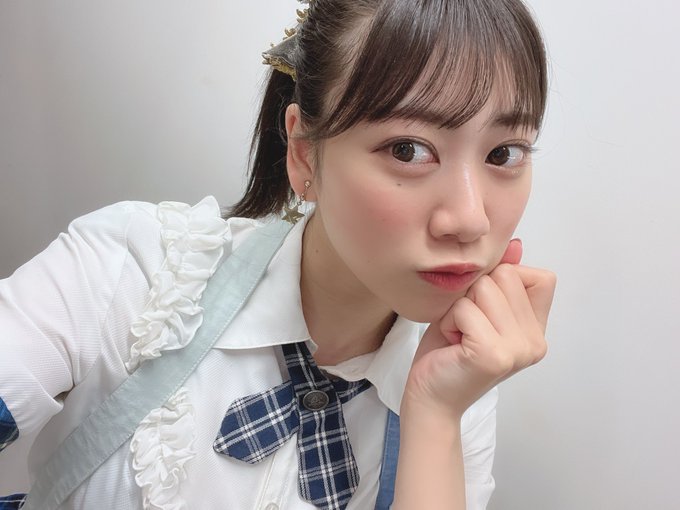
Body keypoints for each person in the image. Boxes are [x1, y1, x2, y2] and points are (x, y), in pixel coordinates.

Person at [0, 0, 556, 508]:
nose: (470, 219)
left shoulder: (462, 376)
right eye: (408, 150)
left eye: (504, 153)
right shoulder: (136, 269)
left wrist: (434, 415)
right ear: (304, 152)